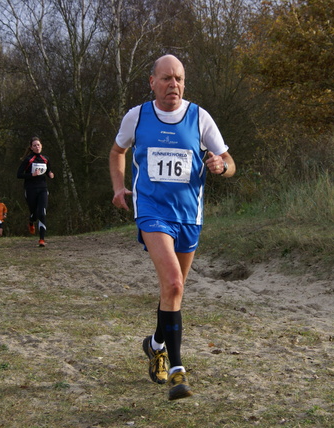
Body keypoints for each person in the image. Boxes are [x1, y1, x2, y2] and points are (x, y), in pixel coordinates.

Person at [109, 54, 236, 400]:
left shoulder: (199, 117)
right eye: (166, 79)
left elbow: (229, 161)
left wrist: (220, 167)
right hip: (152, 211)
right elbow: (117, 151)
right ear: (152, 82)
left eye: (178, 79)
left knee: (173, 293)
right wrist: (119, 187)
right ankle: (178, 371)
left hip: (188, 216)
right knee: (174, 282)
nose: (173, 85)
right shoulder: (137, 117)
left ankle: (155, 344)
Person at [16, 137, 54, 247]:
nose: (37, 147)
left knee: (42, 213)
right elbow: (19, 174)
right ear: (31, 148)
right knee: (34, 214)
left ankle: (41, 239)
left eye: (38, 145)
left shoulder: (45, 159)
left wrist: (50, 174)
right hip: (30, 189)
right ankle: (31, 221)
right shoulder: (28, 160)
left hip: (43, 188)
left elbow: (48, 170)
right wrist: (31, 175)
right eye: (34, 145)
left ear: (41, 146)